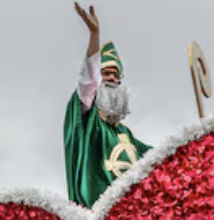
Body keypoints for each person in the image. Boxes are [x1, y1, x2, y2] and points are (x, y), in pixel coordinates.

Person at [64, 4, 151, 207]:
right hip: (94, 216)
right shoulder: (85, 118)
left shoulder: (125, 134)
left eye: (116, 75)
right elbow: (89, 81)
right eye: (106, 73)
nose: (112, 78)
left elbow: (162, 157)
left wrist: (196, 147)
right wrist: (95, 34)